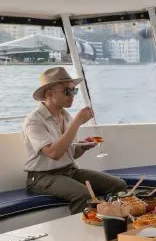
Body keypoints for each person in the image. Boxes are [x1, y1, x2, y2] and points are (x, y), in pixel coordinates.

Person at [24, 67, 127, 214]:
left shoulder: (66, 117)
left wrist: (82, 148)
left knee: (118, 185)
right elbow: (54, 153)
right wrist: (77, 122)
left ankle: (114, 222)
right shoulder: (34, 120)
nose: (72, 95)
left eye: (74, 90)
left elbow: (71, 154)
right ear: (49, 93)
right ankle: (85, 234)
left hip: (70, 171)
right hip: (42, 177)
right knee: (84, 194)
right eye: (67, 91)